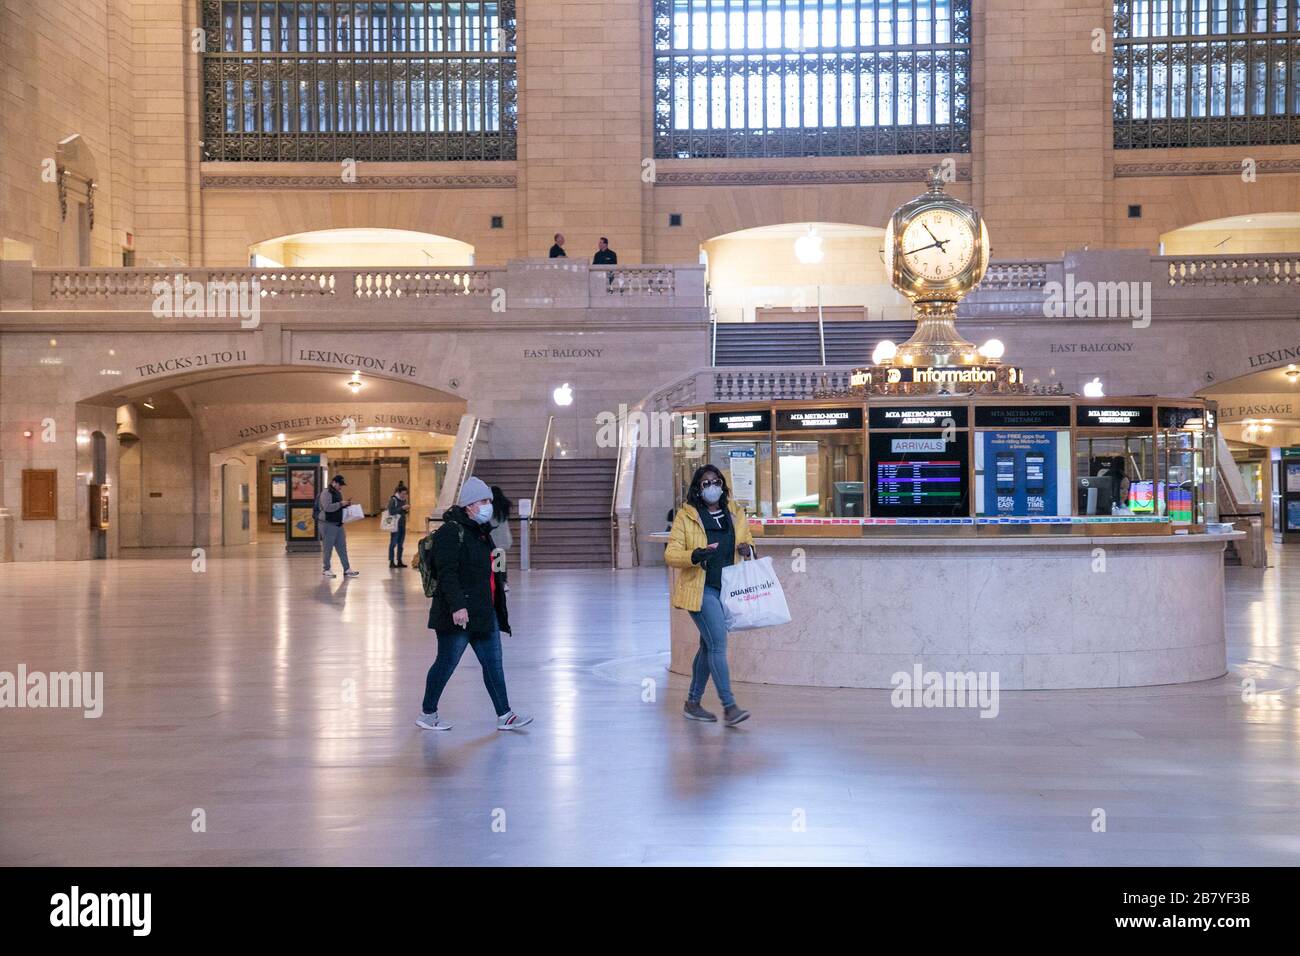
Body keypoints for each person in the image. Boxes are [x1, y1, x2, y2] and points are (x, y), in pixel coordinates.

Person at [416, 476, 532, 732]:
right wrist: (458, 606)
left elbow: (493, 566)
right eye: (483, 501)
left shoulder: (481, 533)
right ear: (469, 505)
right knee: (446, 663)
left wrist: (501, 587)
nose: (488, 505)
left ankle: (505, 714)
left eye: (489, 500)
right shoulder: (450, 532)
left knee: (493, 664)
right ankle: (428, 712)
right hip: (458, 614)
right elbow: (447, 573)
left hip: (484, 611)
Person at [663, 465, 754, 727]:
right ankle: (730, 706)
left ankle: (693, 703)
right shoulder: (687, 516)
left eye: (716, 482)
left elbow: (748, 540)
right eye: (705, 483)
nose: (711, 487)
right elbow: (671, 554)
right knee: (718, 644)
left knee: (707, 646)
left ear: (723, 485)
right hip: (700, 589)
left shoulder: (735, 512)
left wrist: (747, 548)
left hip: (727, 589)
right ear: (697, 488)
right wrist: (694, 555)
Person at [318, 474, 359, 578]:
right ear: (334, 482)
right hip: (328, 525)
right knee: (328, 548)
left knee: (342, 547)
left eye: (342, 485)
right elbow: (327, 507)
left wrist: (346, 504)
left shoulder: (338, 492)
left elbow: (339, 506)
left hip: (338, 524)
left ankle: (347, 569)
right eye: (339, 484)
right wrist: (341, 504)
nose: (341, 487)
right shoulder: (326, 493)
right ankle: (326, 569)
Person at [489, 485, 513, 590]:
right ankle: (503, 582)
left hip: (492, 537)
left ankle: (495, 582)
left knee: (491, 561)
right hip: (503, 537)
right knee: (500, 561)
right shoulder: (504, 506)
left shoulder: (489, 507)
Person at [386, 484, 410, 569]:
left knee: (401, 544)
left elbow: (402, 512)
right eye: (403, 493)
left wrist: (405, 510)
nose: (404, 495)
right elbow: (391, 511)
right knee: (393, 543)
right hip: (395, 526)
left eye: (405, 494)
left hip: (402, 524)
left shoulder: (403, 500)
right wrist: (402, 508)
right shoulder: (393, 500)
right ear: (398, 493)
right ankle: (391, 561)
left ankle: (399, 561)